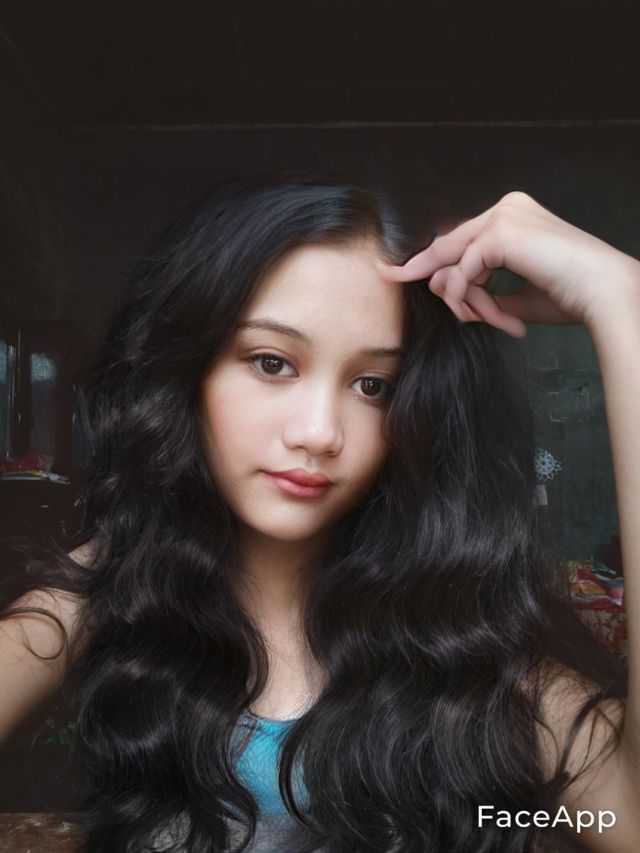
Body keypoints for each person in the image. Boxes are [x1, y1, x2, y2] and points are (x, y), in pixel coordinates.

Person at [0, 168, 638, 853]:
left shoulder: (467, 649)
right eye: (272, 362)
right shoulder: (104, 596)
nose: (319, 432)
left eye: (372, 385)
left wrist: (619, 296)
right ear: (188, 371)